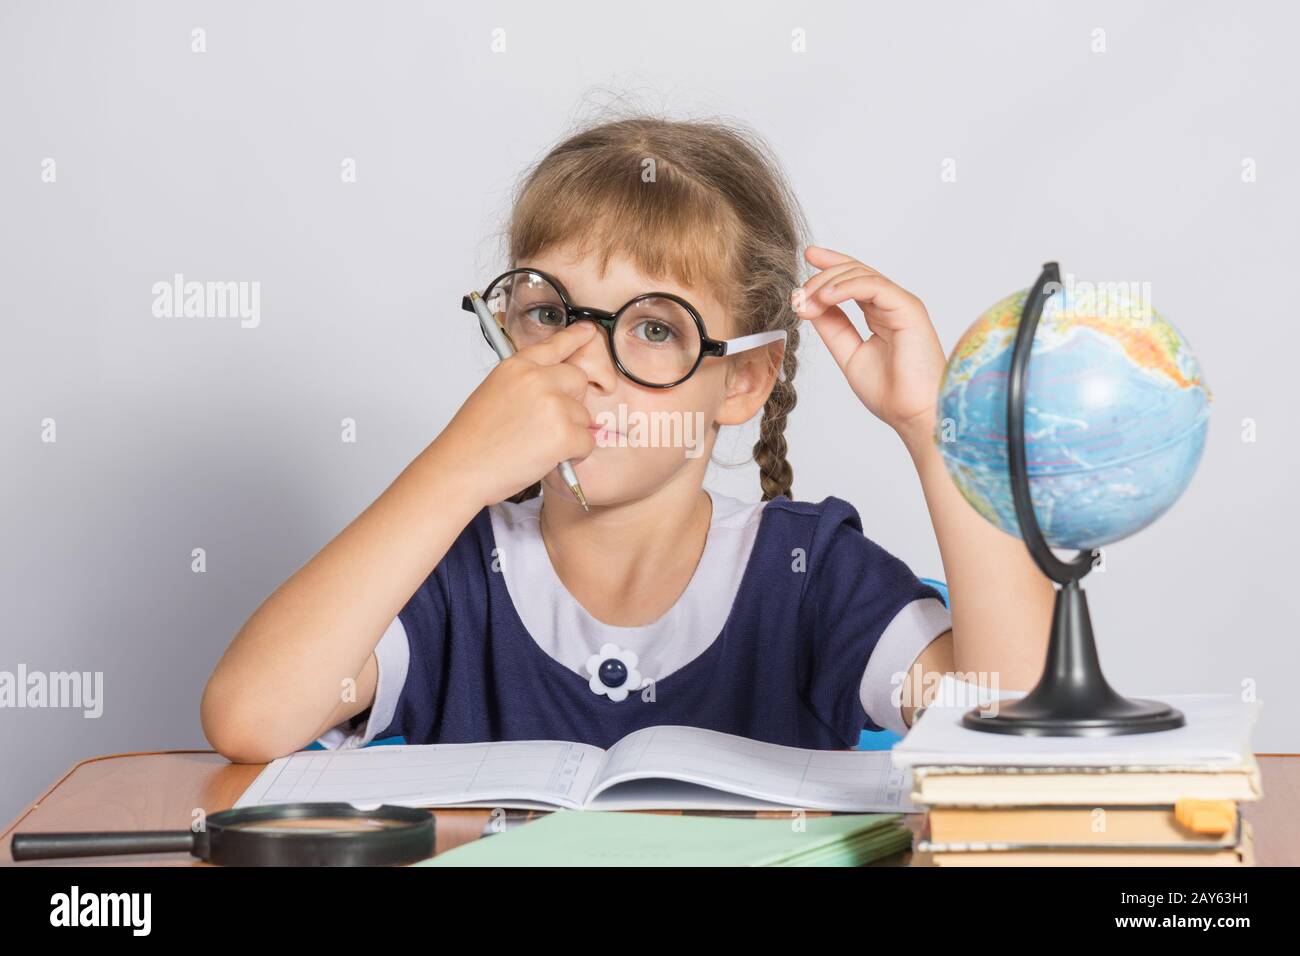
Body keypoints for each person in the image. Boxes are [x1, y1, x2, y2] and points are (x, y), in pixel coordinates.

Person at [201, 114, 1054, 762]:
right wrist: (458, 467)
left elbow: (1014, 725)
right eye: (547, 314)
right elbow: (251, 717)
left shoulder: (808, 573)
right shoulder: (453, 572)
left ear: (744, 380)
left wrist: (939, 432)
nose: (586, 364)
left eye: (653, 329)